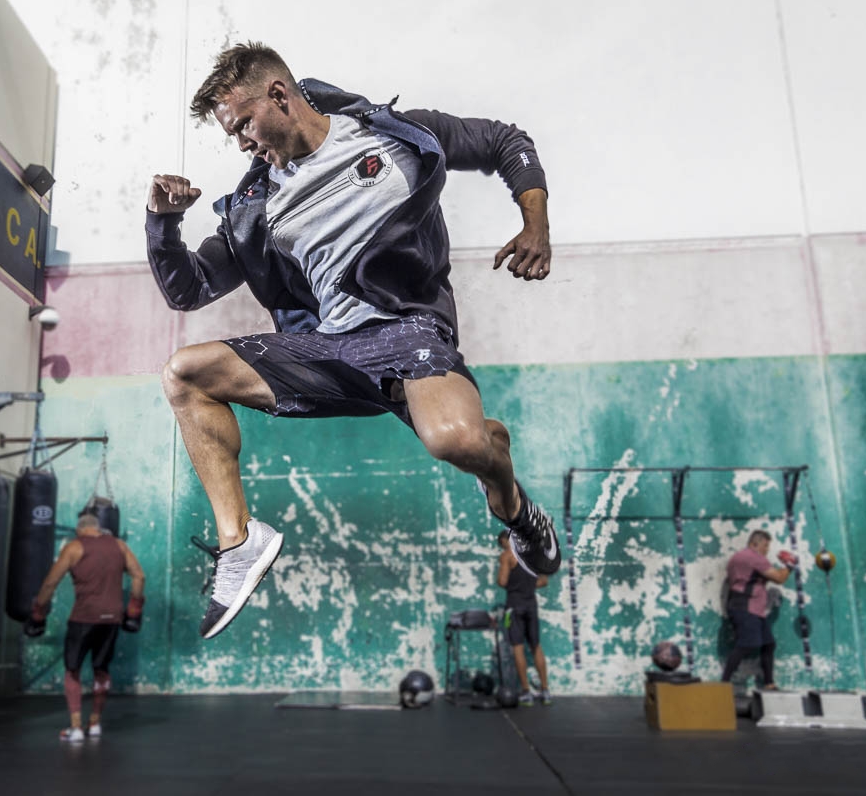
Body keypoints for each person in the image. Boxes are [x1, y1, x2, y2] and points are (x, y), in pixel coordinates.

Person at [146, 41, 562, 639]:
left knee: (459, 441)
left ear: (279, 95)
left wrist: (535, 224)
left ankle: (515, 509)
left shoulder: (392, 135)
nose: (239, 144)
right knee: (185, 373)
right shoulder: (256, 206)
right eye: (230, 133)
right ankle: (238, 542)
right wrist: (163, 223)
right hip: (329, 349)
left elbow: (504, 141)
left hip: (409, 332)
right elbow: (187, 288)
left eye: (242, 125)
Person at [26, 506, 146, 742]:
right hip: (112, 619)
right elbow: (139, 576)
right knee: (101, 669)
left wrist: (38, 611)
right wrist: (134, 606)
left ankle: (76, 728)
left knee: (73, 671)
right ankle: (95, 723)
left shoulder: (74, 546)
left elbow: (50, 583)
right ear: (98, 528)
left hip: (83, 619)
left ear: (80, 529)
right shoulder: (119, 545)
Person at [721, 530, 796, 689]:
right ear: (755, 543)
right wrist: (790, 565)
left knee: (768, 644)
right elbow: (779, 578)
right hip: (747, 607)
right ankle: (724, 683)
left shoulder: (736, 557)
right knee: (747, 645)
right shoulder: (755, 558)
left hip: (746, 606)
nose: (767, 550)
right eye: (765, 545)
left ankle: (769, 683)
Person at [498, 531, 551, 705]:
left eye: (503, 544)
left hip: (514, 605)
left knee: (518, 647)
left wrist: (515, 585)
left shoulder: (507, 556)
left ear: (506, 541)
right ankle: (545, 691)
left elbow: (502, 581)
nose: (504, 547)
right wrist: (527, 585)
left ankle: (526, 692)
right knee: (536, 646)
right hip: (531, 605)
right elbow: (543, 581)